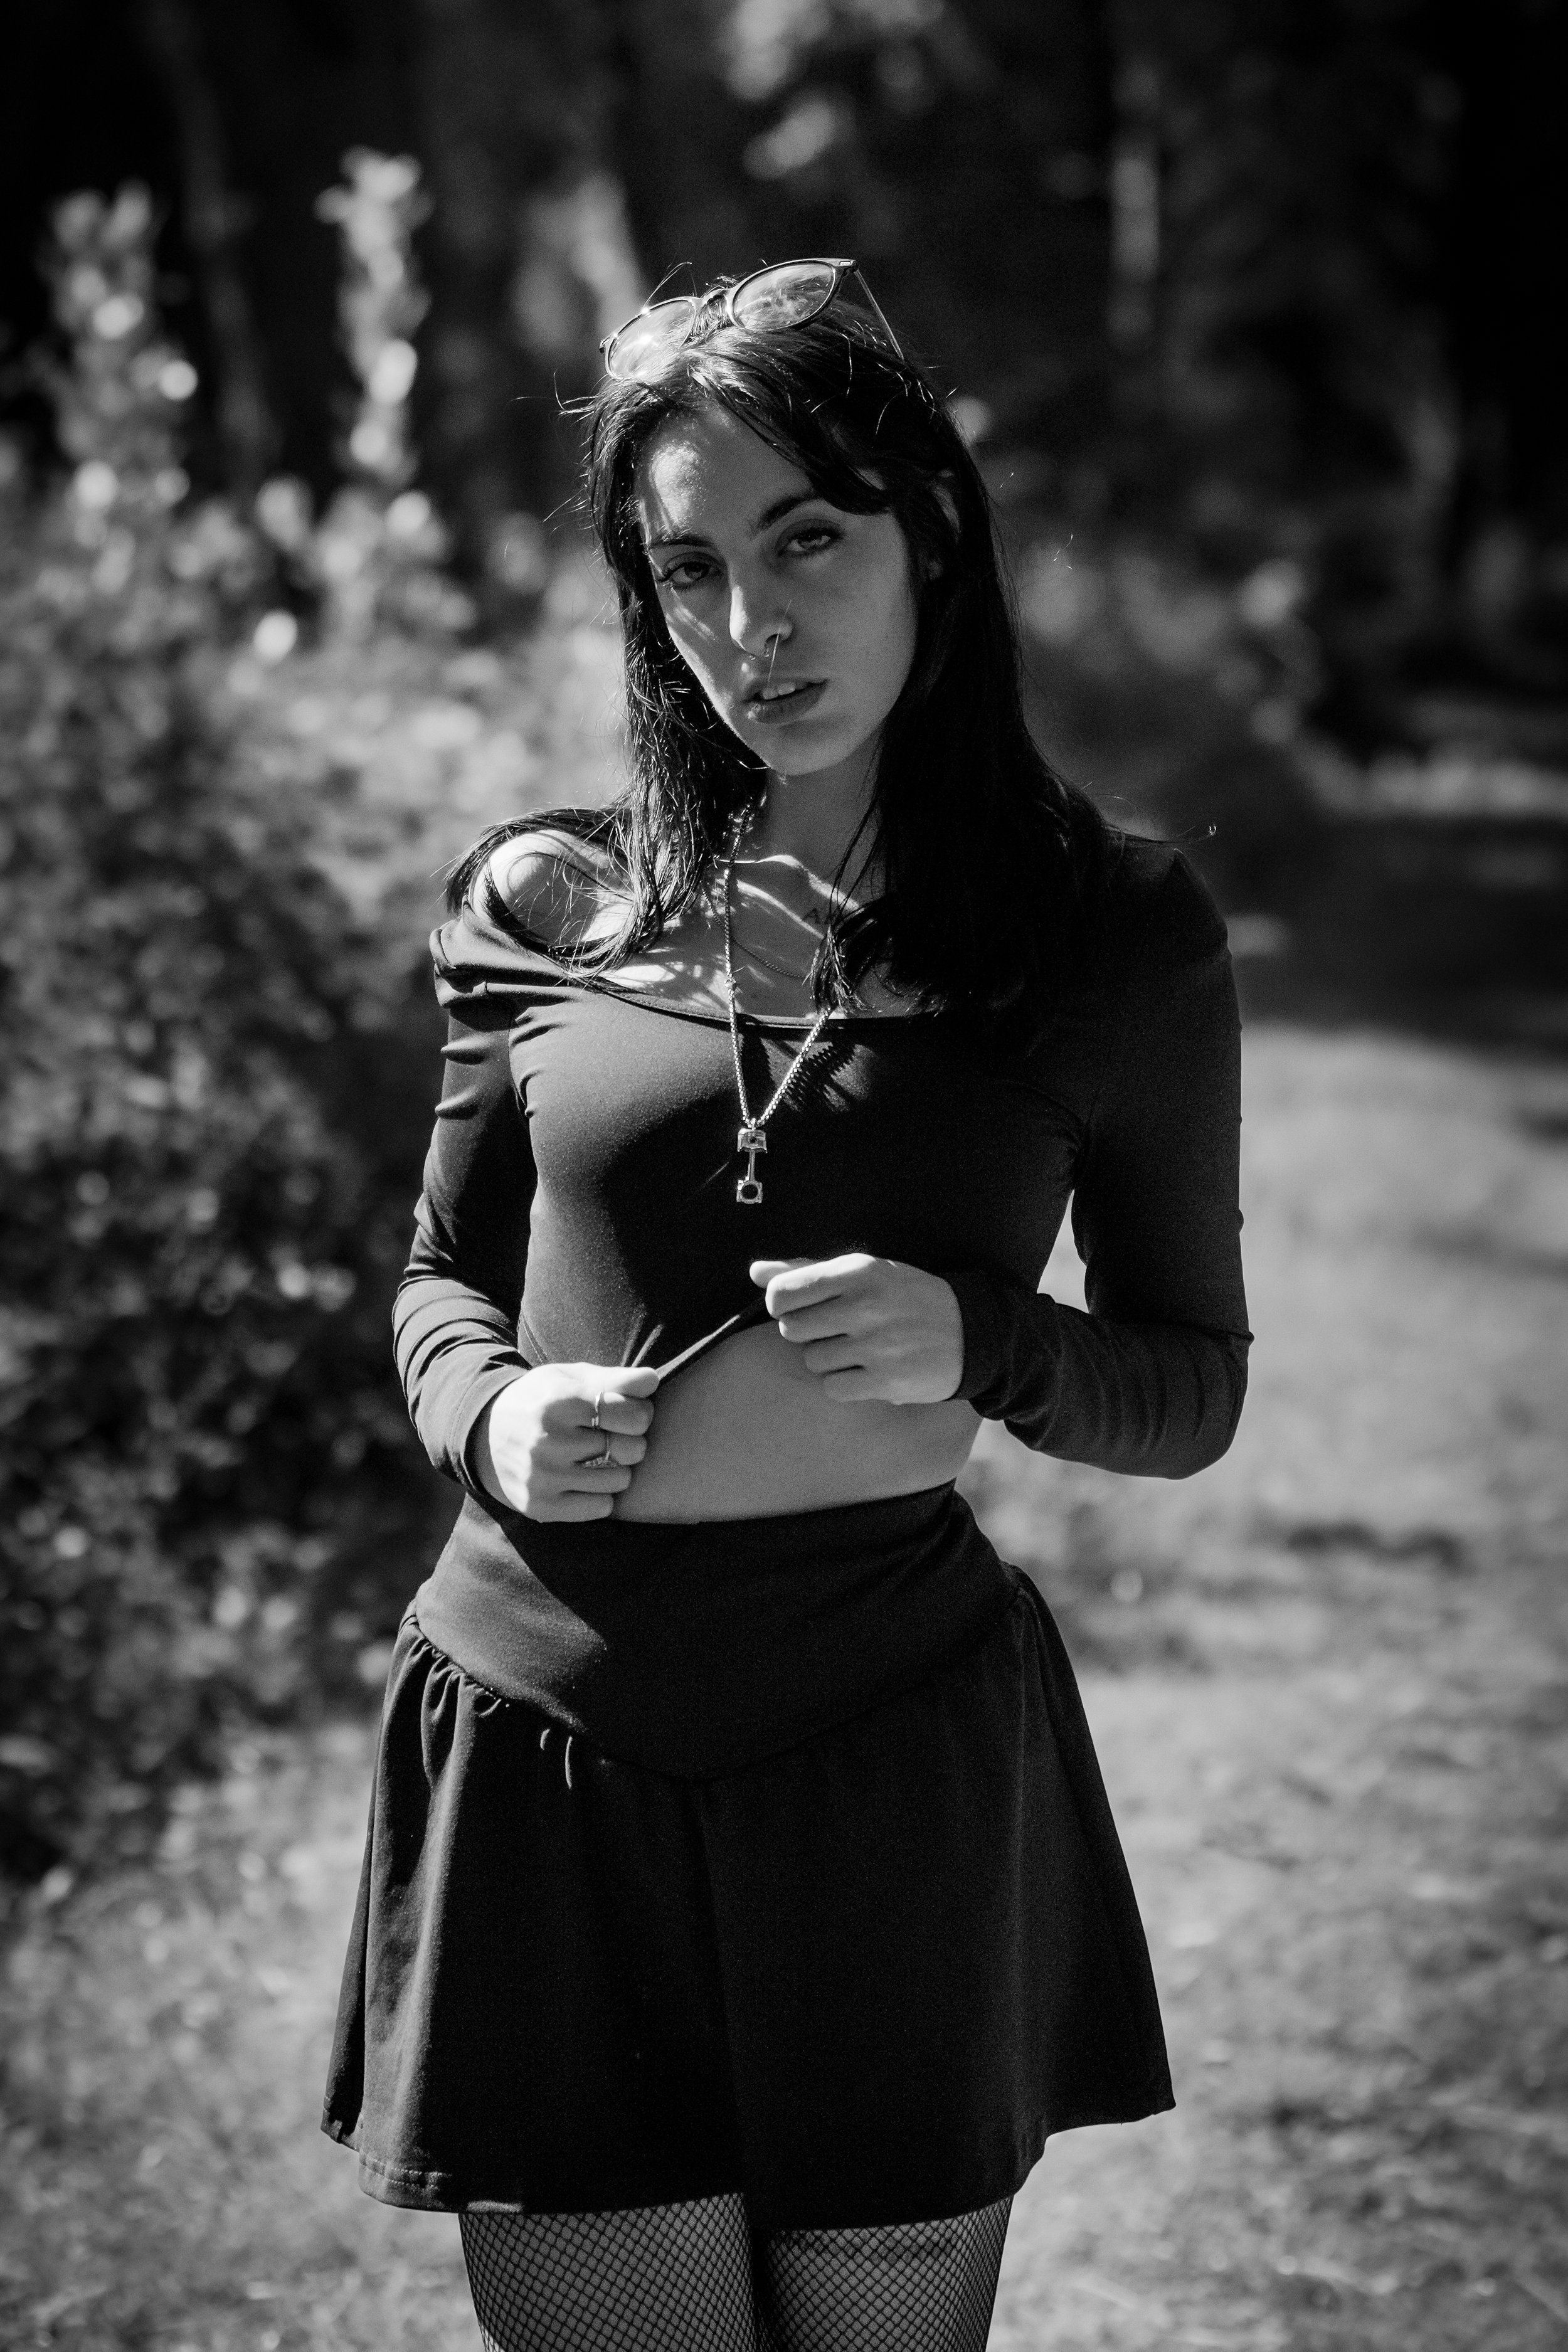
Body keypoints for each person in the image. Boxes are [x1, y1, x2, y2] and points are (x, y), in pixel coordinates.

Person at [322, 258, 1250, 2352]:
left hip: (885, 1761)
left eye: (805, 540)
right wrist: (490, 1419)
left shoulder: (1109, 932)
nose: (753, 624)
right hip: (548, 1747)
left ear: (928, 525)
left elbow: (1186, 1388)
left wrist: (981, 1342)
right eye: (687, 568)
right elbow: (439, 1285)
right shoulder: (539, 903)